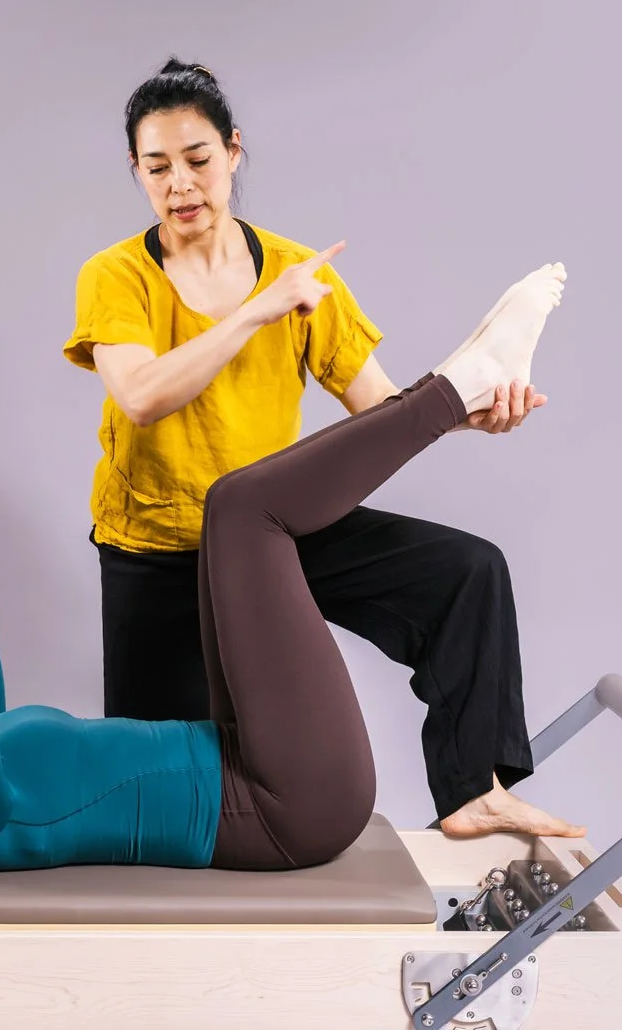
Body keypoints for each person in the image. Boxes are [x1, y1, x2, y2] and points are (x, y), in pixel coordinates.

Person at [0, 280, 581, 878]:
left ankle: (456, 383)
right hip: (289, 799)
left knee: (227, 516)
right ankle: (456, 387)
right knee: (246, 511)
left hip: (250, 757)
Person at [63, 59, 551, 838]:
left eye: (197, 159)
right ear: (137, 171)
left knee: (469, 571)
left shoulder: (297, 273)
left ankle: (473, 792)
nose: (180, 184)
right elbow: (142, 394)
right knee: (159, 795)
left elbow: (378, 411)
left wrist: (471, 414)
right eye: (157, 168)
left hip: (271, 545)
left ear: (233, 151)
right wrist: (257, 313)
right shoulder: (116, 275)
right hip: (158, 554)